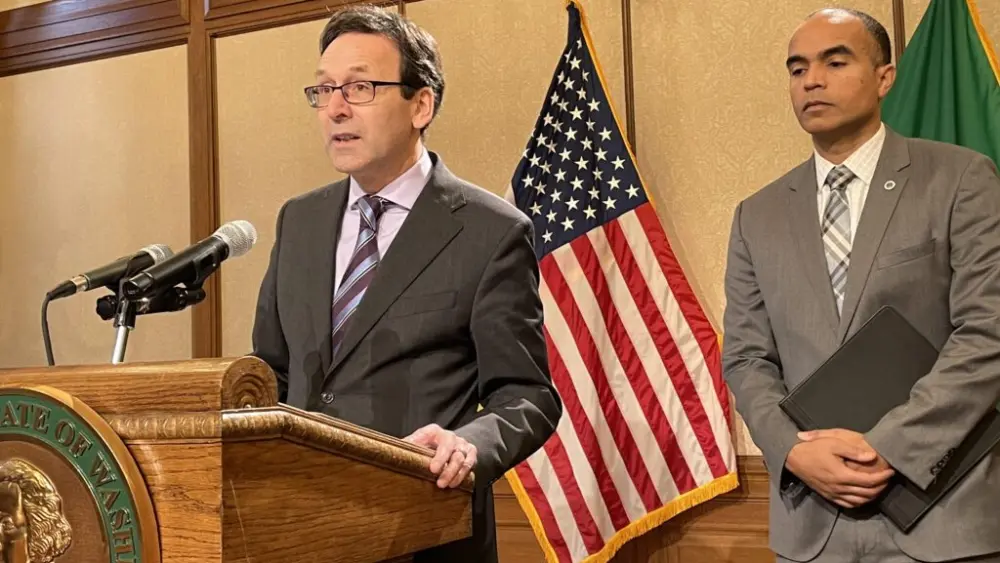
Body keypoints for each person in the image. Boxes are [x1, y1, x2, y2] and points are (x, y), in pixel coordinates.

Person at [249, 6, 562, 562]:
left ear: (422, 103)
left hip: (424, 534)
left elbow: (528, 396)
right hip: (298, 531)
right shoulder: (298, 221)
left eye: (360, 87)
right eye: (323, 91)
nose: (336, 108)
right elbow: (271, 372)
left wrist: (469, 444)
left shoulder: (490, 232)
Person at [722, 7, 1000, 563]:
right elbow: (747, 359)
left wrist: (889, 447)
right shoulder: (757, 215)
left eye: (835, 60)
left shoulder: (961, 178)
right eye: (797, 68)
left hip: (943, 514)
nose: (812, 80)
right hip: (813, 528)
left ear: (884, 77)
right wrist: (792, 454)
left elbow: (987, 333)